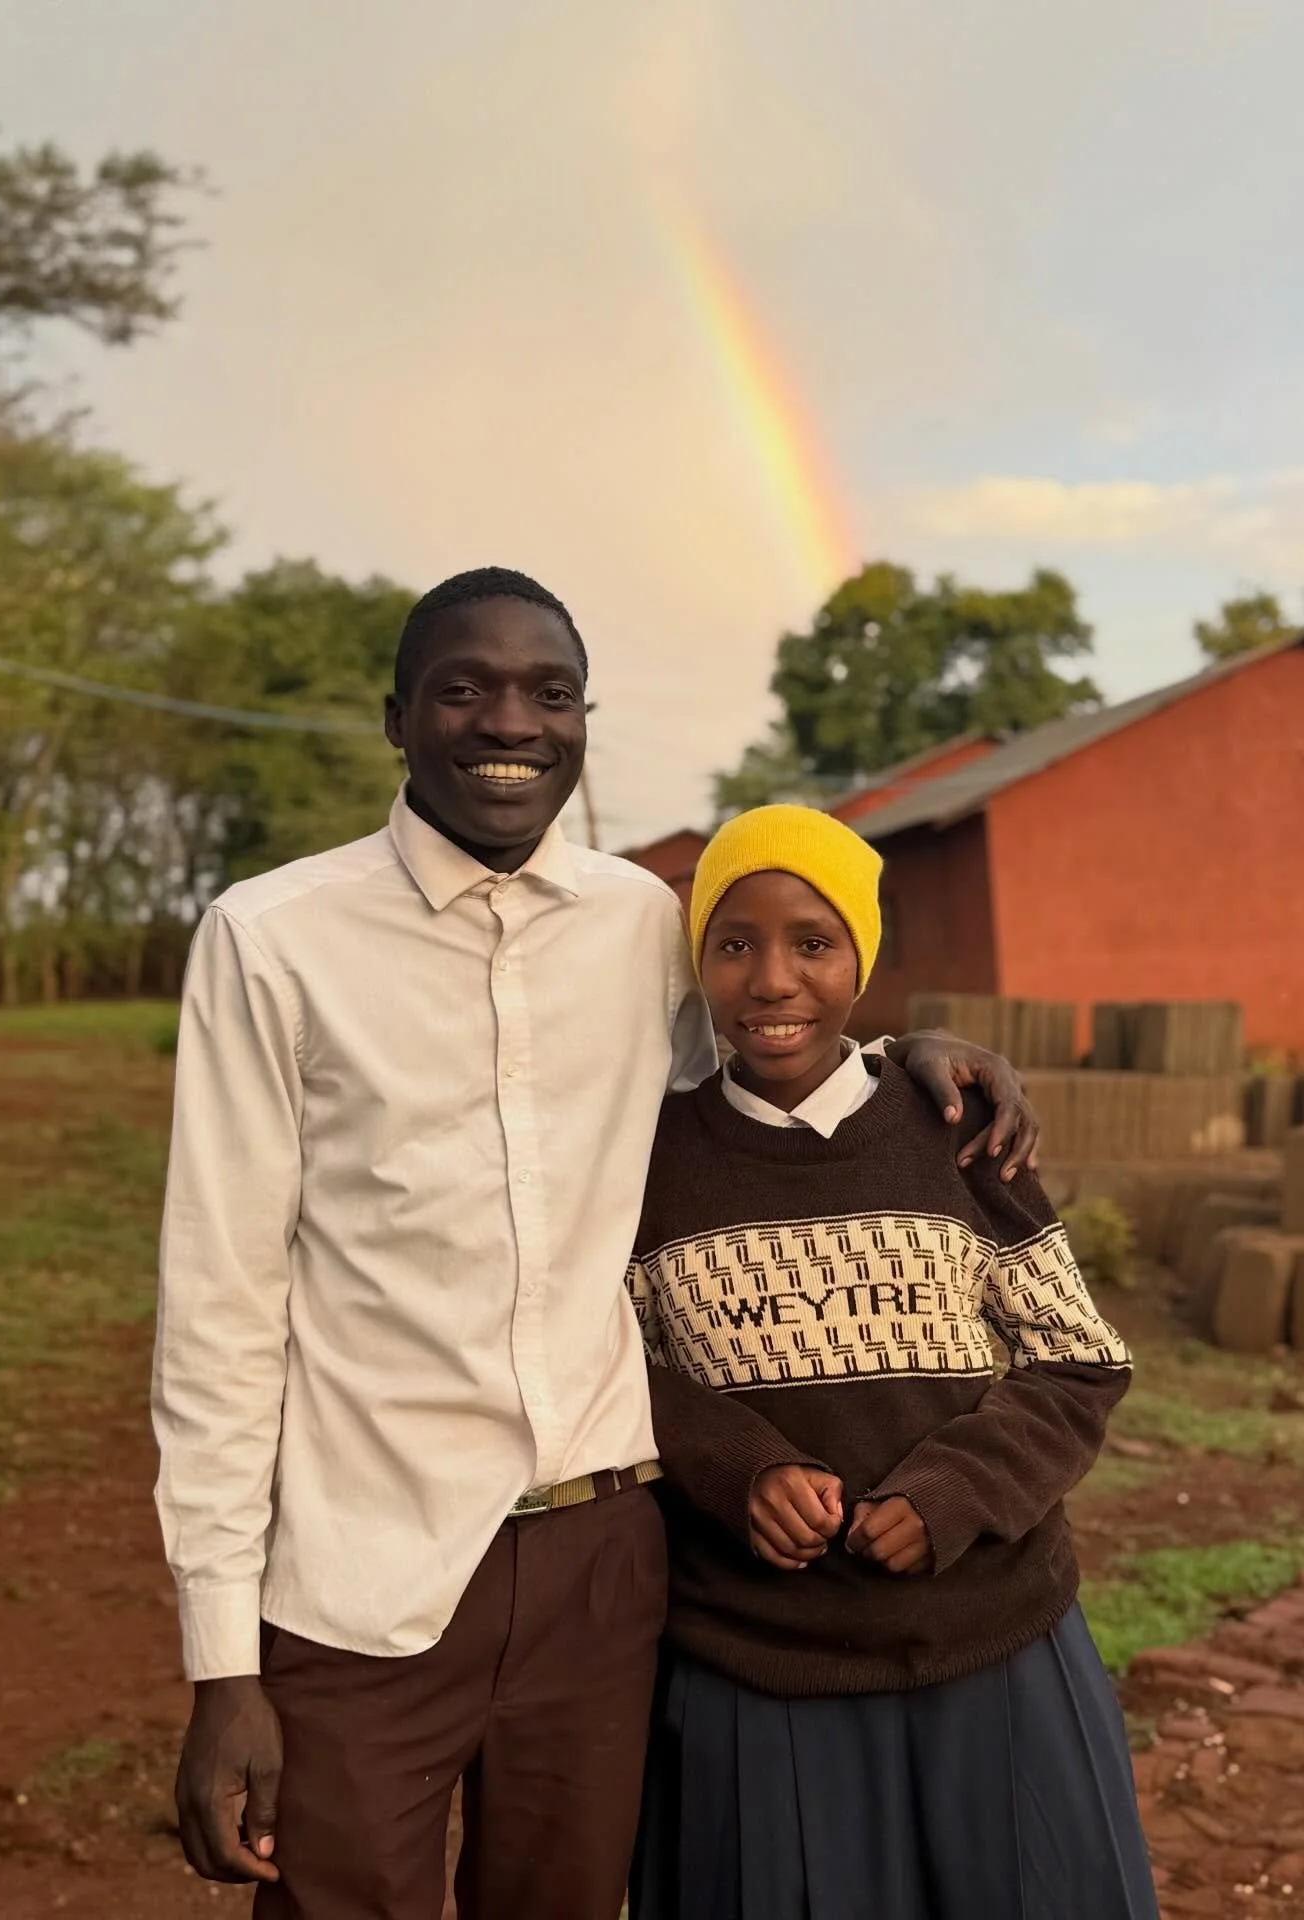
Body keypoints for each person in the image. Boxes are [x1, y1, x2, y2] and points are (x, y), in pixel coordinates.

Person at [152, 567, 1042, 1920]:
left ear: (582, 721)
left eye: (547, 692)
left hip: (606, 1569)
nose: (508, 721)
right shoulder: (274, 941)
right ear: (399, 717)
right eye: (465, 688)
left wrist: (906, 1053)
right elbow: (220, 1304)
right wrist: (223, 1666)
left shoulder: (647, 929)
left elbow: (770, 1048)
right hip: (364, 1568)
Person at [627, 804, 1157, 1920]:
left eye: (812, 943)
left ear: (862, 958)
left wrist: (955, 1488)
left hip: (996, 1640)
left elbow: (1079, 1357)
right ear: (696, 965)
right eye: (734, 944)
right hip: (758, 1666)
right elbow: (611, 1358)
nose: (773, 979)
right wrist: (741, 1469)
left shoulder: (958, 1133)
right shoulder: (649, 1163)